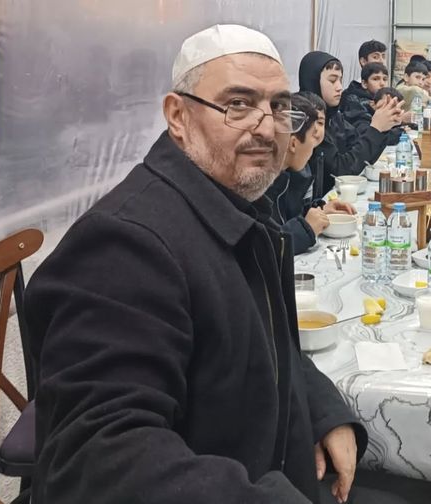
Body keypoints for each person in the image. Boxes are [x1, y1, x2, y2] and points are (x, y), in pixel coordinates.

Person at [25, 24, 376, 504]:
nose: (266, 126)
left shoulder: (238, 205)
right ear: (177, 116)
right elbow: (97, 458)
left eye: (277, 107)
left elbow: (260, 339)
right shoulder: (127, 246)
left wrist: (319, 408)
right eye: (237, 104)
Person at [299, 50, 402, 196]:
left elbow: (362, 154)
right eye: (332, 80)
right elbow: (341, 170)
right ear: (313, 80)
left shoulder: (335, 116)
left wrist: (385, 127)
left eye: (341, 80)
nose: (339, 87)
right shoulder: (309, 122)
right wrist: (376, 128)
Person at [266, 93, 355, 255]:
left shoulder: (286, 175)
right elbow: (264, 249)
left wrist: (320, 210)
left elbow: (290, 216)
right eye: (312, 144)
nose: (312, 151)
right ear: (293, 143)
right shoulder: (262, 185)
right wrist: (306, 229)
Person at [340, 62, 390, 130]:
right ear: (364, 83)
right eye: (376, 79)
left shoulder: (385, 98)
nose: (382, 83)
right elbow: (363, 127)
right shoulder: (353, 100)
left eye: (385, 79)